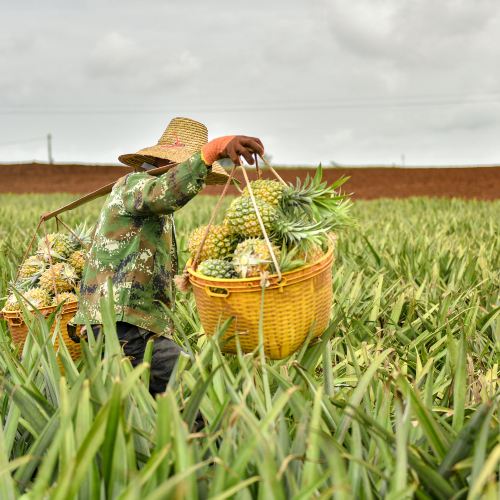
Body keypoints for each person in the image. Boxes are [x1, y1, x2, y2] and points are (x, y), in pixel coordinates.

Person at [72, 117, 264, 396]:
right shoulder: (134, 185)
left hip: (133, 325)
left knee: (151, 405)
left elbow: (146, 259)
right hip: (123, 325)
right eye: (188, 166)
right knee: (200, 392)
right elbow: (162, 194)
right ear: (168, 162)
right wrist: (213, 150)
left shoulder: (149, 208)